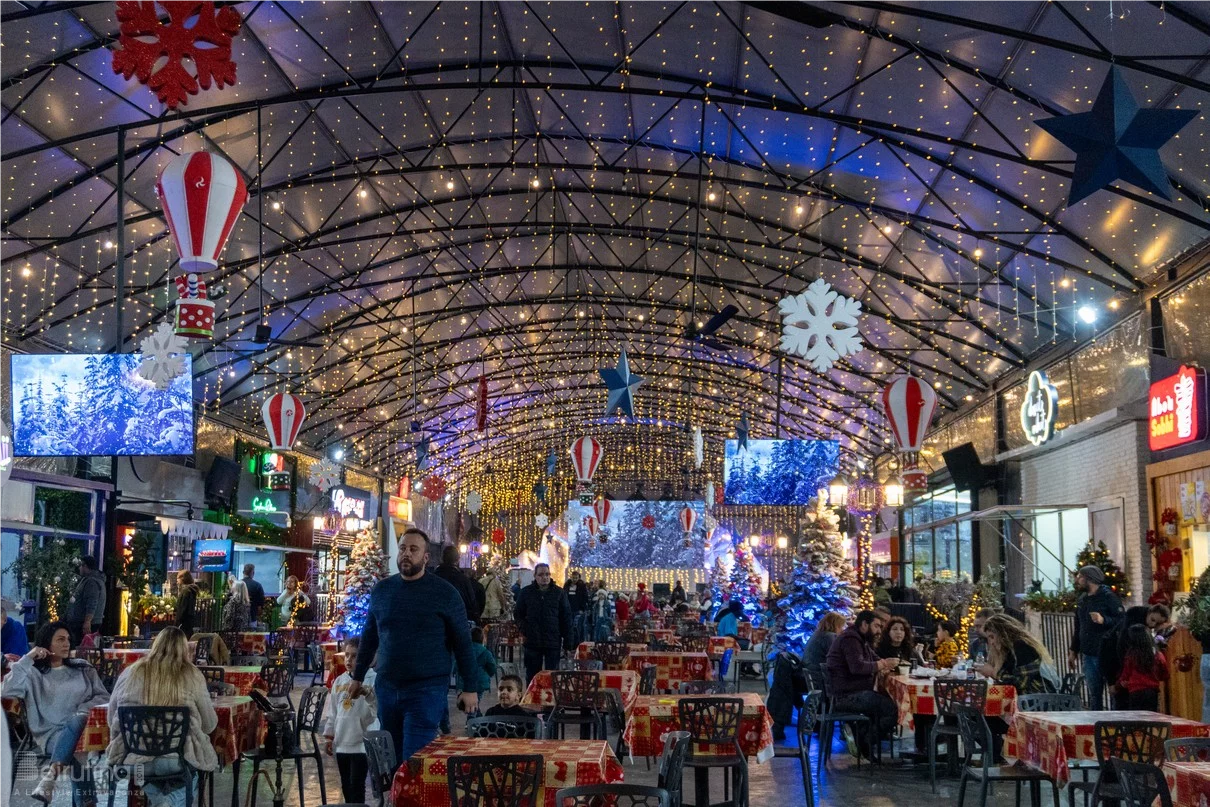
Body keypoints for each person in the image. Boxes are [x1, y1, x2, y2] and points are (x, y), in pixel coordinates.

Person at [349, 528, 477, 762]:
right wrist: (357, 676)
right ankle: (397, 798)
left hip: (426, 689)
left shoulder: (445, 594)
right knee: (393, 756)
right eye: (403, 548)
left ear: (426, 557)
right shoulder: (382, 590)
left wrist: (469, 687)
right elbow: (369, 637)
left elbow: (462, 643)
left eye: (413, 549)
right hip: (387, 687)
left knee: (415, 759)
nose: (406, 554)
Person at [107, 626, 218, 806]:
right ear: (185, 649)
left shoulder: (130, 672)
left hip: (133, 757)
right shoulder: (192, 675)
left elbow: (111, 716)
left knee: (148, 776)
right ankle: (168, 802)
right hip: (177, 760)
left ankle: (162, 800)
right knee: (193, 776)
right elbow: (209, 724)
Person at [2, 621, 110, 803]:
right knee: (77, 749)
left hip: (85, 730)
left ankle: (50, 778)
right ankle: (87, 803)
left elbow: (104, 697)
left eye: (68, 639)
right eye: (60, 639)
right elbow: (6, 691)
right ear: (46, 643)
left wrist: (82, 711)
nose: (66, 643)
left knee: (77, 731)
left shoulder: (82, 667)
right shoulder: (33, 674)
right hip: (51, 733)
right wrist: (28, 657)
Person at [824, 610, 898, 759]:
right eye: (876, 626)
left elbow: (874, 658)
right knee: (893, 709)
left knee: (885, 704)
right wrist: (881, 664)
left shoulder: (860, 639)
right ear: (864, 624)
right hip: (846, 696)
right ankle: (864, 739)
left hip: (851, 692)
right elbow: (857, 667)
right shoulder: (850, 639)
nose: (879, 631)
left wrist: (886, 663)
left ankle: (861, 731)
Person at [323, 636, 377, 804]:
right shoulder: (339, 681)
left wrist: (367, 693)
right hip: (342, 742)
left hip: (361, 742)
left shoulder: (373, 679)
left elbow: (377, 709)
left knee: (356, 785)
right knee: (346, 785)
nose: (349, 659)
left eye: (354, 656)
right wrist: (330, 736)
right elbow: (333, 711)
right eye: (347, 655)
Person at [1068, 564, 1123, 710]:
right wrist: (1073, 650)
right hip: (1088, 653)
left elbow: (1121, 620)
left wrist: (1103, 619)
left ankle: (1115, 723)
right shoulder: (1083, 600)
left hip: (1106, 653)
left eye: (1080, 577)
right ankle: (1096, 725)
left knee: (1113, 692)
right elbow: (1079, 626)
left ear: (1089, 579)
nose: (1077, 580)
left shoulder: (1108, 597)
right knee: (1094, 693)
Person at [513, 563, 572, 683]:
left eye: (547, 574)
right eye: (541, 574)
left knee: (552, 676)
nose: (544, 577)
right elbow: (518, 614)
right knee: (533, 676)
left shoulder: (559, 593)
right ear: (535, 576)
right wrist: (525, 629)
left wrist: (568, 643)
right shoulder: (526, 592)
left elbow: (566, 618)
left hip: (553, 640)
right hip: (533, 641)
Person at [975, 614, 1058, 695]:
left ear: (1003, 634)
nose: (991, 642)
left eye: (992, 637)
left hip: (1037, 700)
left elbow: (1020, 683)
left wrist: (993, 673)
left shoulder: (1022, 647)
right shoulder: (1007, 651)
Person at [1100, 606, 1151, 709]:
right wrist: (1113, 682)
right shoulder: (1130, 640)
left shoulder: (1121, 632)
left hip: (1125, 684)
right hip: (1132, 686)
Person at [1115, 623, 1168, 711]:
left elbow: (1125, 675)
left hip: (1135, 692)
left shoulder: (1131, 655)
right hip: (1152, 692)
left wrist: (1118, 684)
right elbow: (1164, 674)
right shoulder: (1157, 655)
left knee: (1136, 720)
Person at [434, 545, 482, 623]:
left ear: (442, 558)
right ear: (457, 560)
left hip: (436, 624)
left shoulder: (434, 578)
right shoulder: (463, 580)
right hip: (458, 623)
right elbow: (472, 603)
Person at [65, 556, 105, 645]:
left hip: (83, 623)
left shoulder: (92, 582)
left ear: (85, 566)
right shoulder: (89, 580)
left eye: (81, 566)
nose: (79, 568)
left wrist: (87, 621)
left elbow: (92, 602)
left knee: (82, 648)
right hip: (83, 621)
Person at [803, 612, 845, 688]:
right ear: (835, 625)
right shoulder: (829, 636)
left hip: (812, 674)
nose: (842, 630)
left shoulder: (818, 634)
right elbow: (837, 658)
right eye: (840, 626)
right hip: (821, 677)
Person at [454, 627, 497, 703]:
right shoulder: (486, 653)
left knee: (471, 703)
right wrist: (488, 674)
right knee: (475, 703)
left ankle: (476, 714)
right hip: (480, 682)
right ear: (482, 639)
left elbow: (456, 666)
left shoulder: (463, 652)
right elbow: (492, 667)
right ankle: (474, 714)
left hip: (465, 682)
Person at [564, 571, 590, 645]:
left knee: (578, 628)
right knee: (569, 628)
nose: (574, 579)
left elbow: (585, 598)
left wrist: (582, 608)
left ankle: (579, 643)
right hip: (568, 610)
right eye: (573, 577)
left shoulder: (582, 586)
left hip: (578, 610)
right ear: (571, 577)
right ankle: (570, 644)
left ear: (578, 578)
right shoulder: (567, 585)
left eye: (576, 578)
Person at [174, 570, 200, 638]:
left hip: (183, 623)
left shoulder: (185, 591)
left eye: (178, 578)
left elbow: (182, 608)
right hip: (189, 621)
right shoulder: (191, 590)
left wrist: (177, 623)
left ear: (183, 578)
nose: (177, 580)